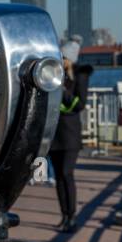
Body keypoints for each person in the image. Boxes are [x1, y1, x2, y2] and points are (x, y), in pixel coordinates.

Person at [48, 60, 94, 232]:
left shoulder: (81, 76)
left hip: (70, 135)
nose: (61, 59)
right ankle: (64, 215)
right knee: (59, 176)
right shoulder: (54, 73)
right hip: (55, 133)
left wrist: (61, 90)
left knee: (67, 174)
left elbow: (79, 104)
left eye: (64, 56)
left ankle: (72, 217)